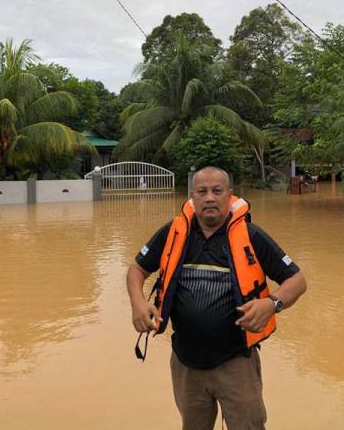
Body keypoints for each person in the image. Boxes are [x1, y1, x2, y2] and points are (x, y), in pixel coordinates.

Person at [126, 166, 307, 430]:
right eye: (202, 191)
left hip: (236, 362)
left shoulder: (251, 236)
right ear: (192, 196)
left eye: (217, 191)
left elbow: (297, 281)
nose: (209, 197)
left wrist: (272, 304)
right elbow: (136, 269)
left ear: (229, 195)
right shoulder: (174, 234)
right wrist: (138, 304)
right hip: (186, 363)